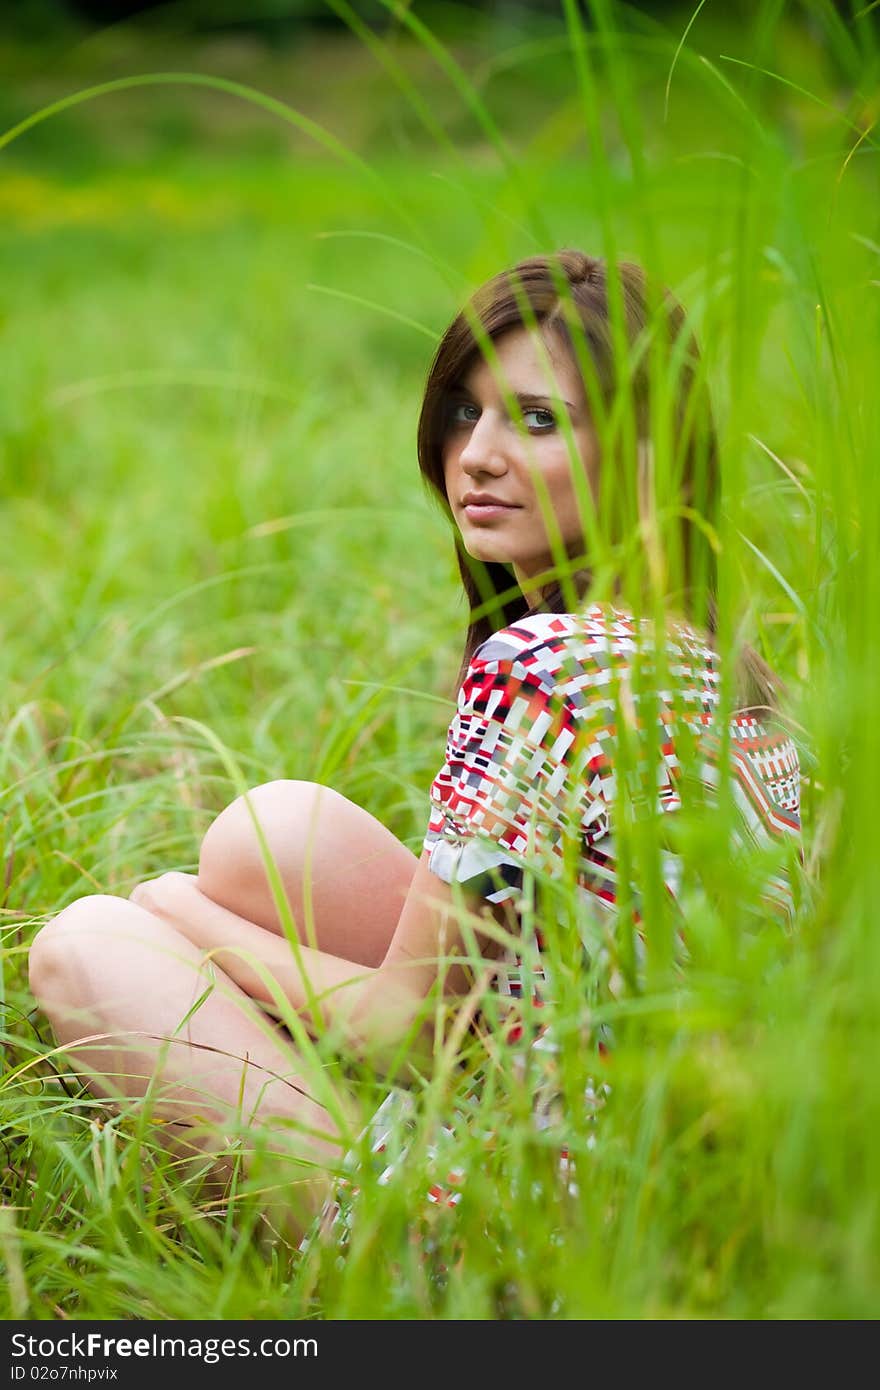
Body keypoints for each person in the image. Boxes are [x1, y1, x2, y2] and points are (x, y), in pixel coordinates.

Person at [27, 248, 802, 1252]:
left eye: (536, 420)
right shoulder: (728, 668)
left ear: (645, 455)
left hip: (525, 1245)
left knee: (90, 940)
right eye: (463, 412)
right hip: (684, 1200)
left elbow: (413, 1027)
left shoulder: (545, 662)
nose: (477, 454)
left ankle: (376, 1256)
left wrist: (175, 912)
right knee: (277, 829)